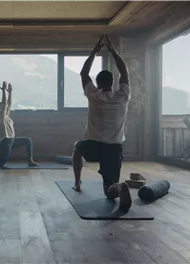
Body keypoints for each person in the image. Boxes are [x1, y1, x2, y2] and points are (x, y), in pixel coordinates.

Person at [72, 35, 132, 211]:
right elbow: (125, 72)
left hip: (93, 146)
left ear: (97, 83)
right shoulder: (123, 96)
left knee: (77, 146)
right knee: (109, 191)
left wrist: (95, 51)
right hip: (114, 148)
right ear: (113, 83)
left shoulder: (94, 96)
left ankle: (77, 182)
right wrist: (113, 51)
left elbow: (83, 73)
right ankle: (119, 187)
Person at [0, 81, 39, 167]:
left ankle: (30, 160)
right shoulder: (0, 116)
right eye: (5, 108)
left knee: (28, 140)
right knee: (0, 163)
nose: (7, 109)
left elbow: (8, 104)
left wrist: (10, 92)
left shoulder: (6, 116)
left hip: (12, 140)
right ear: (0, 109)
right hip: (5, 141)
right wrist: (3, 91)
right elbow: (4, 103)